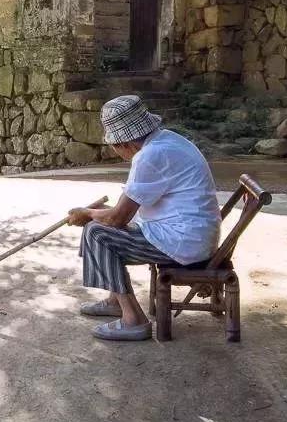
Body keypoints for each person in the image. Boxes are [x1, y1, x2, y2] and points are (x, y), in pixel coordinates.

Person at [67, 93, 221, 342]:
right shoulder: (166, 141)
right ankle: (115, 301)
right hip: (190, 235)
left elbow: (118, 217)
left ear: (124, 144)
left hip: (184, 242)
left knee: (97, 233)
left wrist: (87, 214)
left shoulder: (151, 155)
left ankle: (134, 320)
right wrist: (94, 215)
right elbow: (127, 208)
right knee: (96, 228)